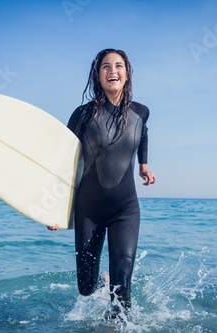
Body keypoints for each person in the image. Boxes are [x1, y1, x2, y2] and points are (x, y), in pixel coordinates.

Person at [47, 48, 156, 318]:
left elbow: (142, 135)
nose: (112, 71)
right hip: (89, 210)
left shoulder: (141, 112)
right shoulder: (82, 115)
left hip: (125, 210)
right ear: (98, 75)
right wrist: (53, 208)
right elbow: (63, 161)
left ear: (127, 74)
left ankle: (116, 324)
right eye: (105, 67)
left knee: (122, 290)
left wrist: (143, 164)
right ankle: (100, 286)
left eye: (118, 66)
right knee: (85, 288)